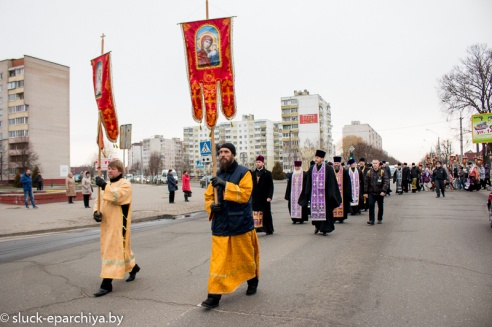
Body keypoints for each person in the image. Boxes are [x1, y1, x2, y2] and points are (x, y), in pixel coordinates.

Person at [201, 143, 260, 309]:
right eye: (220, 152)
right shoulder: (216, 174)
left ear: (233, 154)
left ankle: (253, 281)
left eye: (226, 152)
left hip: (240, 224)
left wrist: (225, 185)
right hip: (220, 225)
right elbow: (207, 197)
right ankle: (214, 296)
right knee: (218, 262)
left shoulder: (244, 172)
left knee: (245, 257)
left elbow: (245, 194)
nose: (222, 155)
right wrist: (211, 206)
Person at [93, 159, 140, 297]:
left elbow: (118, 197)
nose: (110, 170)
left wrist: (104, 186)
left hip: (119, 225)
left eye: (113, 168)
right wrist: (96, 212)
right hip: (106, 224)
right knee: (122, 249)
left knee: (112, 251)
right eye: (109, 168)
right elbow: (99, 201)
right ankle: (133, 268)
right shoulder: (106, 185)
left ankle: (106, 284)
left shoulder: (125, 184)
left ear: (119, 170)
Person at [298, 149, 342, 235]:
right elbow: (308, 182)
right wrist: (307, 192)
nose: (316, 159)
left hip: (325, 196)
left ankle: (325, 228)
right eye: (316, 157)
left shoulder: (328, 168)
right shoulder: (312, 168)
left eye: (317, 157)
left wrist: (331, 194)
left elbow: (332, 182)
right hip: (314, 195)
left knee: (326, 212)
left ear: (322, 159)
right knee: (315, 212)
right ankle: (317, 226)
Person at [251, 155, 275, 234]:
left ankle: (268, 229)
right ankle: (257, 228)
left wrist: (269, 196)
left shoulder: (267, 173)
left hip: (264, 197)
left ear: (263, 163)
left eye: (259, 162)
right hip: (255, 197)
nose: (258, 163)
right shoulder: (252, 173)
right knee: (255, 213)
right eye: (257, 162)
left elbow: (271, 186)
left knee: (266, 214)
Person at [363, 159, 389, 225]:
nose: (375, 164)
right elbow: (366, 183)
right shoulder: (369, 172)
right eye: (373, 163)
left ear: (378, 164)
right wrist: (365, 192)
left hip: (380, 192)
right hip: (371, 192)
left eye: (376, 163)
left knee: (380, 206)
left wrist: (383, 191)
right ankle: (371, 220)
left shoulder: (382, 172)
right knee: (371, 205)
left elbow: (386, 182)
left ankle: (379, 218)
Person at [332, 156, 352, 222]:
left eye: (337, 163)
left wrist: (347, 191)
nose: (336, 164)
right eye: (335, 163)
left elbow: (348, 182)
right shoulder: (331, 171)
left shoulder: (344, 172)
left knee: (343, 203)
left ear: (340, 163)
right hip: (334, 192)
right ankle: (334, 217)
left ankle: (341, 218)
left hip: (342, 192)